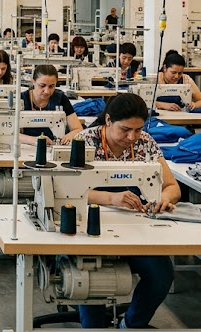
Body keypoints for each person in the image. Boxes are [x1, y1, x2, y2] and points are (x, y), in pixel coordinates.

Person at [73, 93, 180, 329]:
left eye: (138, 130)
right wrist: (111, 198)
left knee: (161, 276)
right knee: (90, 276)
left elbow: (172, 186)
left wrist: (163, 199)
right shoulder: (84, 142)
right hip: (89, 227)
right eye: (125, 130)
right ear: (108, 120)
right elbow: (66, 189)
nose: (132, 137)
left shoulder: (146, 143)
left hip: (135, 227)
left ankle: (131, 324)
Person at [20, 65, 82, 143]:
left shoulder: (61, 99)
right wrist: (35, 140)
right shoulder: (21, 100)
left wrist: (68, 137)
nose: (47, 91)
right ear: (33, 82)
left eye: (51, 86)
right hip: (26, 148)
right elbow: (11, 134)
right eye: (42, 86)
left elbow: (78, 129)